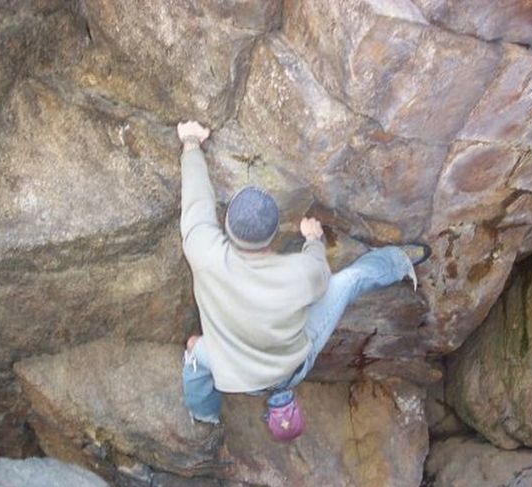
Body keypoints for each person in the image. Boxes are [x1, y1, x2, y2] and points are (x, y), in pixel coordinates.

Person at [177, 120, 430, 431]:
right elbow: (320, 273)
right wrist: (312, 239)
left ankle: (204, 414)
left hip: (237, 373)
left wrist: (190, 144)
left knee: (193, 350)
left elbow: (196, 206)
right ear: (271, 236)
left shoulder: (205, 254)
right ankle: (399, 261)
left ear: (227, 227)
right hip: (291, 365)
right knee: (348, 282)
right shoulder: (298, 273)